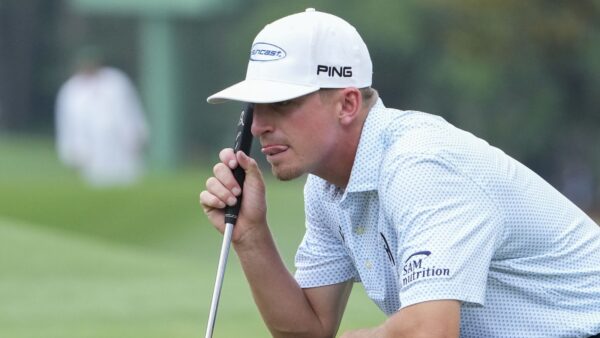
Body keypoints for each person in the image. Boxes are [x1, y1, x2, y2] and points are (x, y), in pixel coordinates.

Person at [200, 8, 600, 338]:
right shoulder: (326, 186)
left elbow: (430, 332)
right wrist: (251, 236)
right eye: (256, 108)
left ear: (347, 104)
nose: (257, 127)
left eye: (282, 104)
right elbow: (309, 331)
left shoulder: (420, 164)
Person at [55, 47, 149, 187]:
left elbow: (132, 110)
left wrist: (138, 135)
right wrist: (71, 152)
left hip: (120, 145)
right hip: (92, 149)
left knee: (128, 179)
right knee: (96, 181)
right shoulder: (71, 90)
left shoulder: (116, 81)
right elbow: (66, 124)